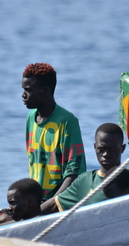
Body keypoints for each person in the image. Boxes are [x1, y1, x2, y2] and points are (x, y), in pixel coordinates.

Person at [41, 123, 129, 214]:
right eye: (101, 149)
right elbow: (52, 205)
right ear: (95, 147)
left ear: (122, 148)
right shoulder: (85, 181)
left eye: (112, 149)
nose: (106, 154)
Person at [21, 63, 86, 200]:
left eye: (28, 90)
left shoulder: (67, 121)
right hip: (37, 201)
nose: (23, 95)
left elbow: (74, 173)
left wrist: (50, 205)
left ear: (45, 91)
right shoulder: (30, 119)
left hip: (59, 201)